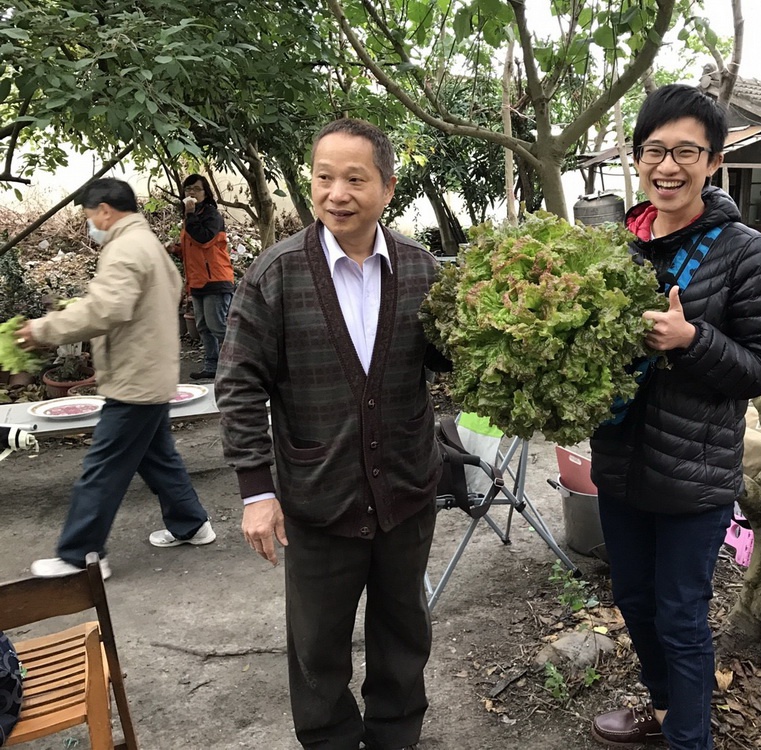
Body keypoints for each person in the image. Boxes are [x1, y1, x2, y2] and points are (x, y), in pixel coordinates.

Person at [215, 118, 449, 750]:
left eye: (355, 179)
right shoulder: (277, 274)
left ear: (388, 188)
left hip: (405, 492)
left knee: (404, 634)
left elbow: (452, 358)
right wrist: (256, 491)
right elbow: (239, 383)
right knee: (317, 647)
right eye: (324, 177)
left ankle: (395, 736)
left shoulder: (423, 272)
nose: (336, 194)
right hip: (319, 497)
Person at [588, 85, 761, 750]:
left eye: (686, 152)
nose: (667, 166)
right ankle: (666, 711)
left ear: (713, 161)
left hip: (695, 477)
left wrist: (692, 340)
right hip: (621, 465)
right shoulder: (616, 246)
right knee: (636, 604)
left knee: (680, 618)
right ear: (637, 157)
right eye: (654, 151)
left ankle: (689, 740)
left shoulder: (745, 252)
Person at [17, 178, 216, 580]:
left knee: (103, 467)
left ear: (105, 211)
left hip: (134, 380)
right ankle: (191, 524)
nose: (90, 224)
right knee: (156, 458)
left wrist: (42, 329)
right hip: (151, 374)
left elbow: (105, 309)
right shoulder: (148, 245)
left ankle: (81, 554)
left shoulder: (125, 249)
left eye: (90, 216)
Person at [174, 173, 234, 380]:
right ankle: (212, 366)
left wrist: (190, 215)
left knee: (217, 326)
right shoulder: (191, 217)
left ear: (205, 193)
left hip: (215, 279)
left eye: (196, 189)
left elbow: (204, 239)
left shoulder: (211, 215)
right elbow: (194, 251)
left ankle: (243, 363)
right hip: (198, 281)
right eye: (188, 189)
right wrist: (176, 249)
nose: (191, 193)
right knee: (203, 327)